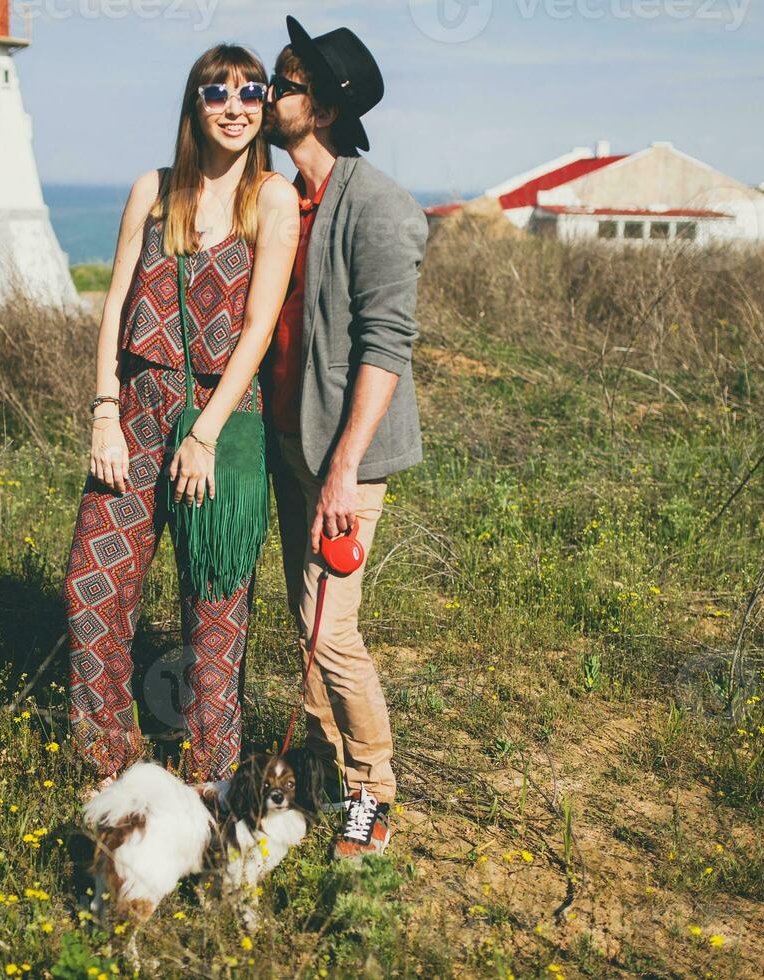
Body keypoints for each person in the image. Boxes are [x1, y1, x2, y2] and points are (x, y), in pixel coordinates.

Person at [63, 44, 300, 791]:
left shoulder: (272, 198)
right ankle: (110, 772)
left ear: (263, 106)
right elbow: (115, 305)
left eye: (250, 92)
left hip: (221, 419)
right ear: (193, 104)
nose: (235, 106)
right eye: (217, 92)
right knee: (89, 587)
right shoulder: (154, 189)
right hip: (136, 405)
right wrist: (105, 409)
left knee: (215, 614)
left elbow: (258, 329)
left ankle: (211, 785)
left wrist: (205, 434)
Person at [261, 17, 428, 861]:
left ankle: (373, 800)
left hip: (343, 462)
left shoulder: (381, 208)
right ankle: (326, 773)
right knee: (305, 621)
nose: (264, 97)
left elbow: (386, 347)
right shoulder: (285, 196)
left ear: (321, 108)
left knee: (332, 633)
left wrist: (344, 470)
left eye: (279, 87)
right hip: (292, 448)